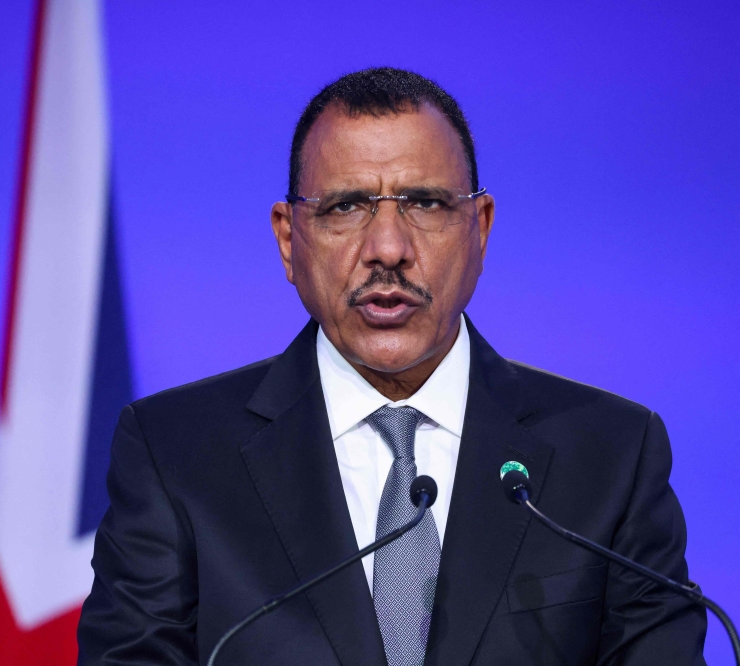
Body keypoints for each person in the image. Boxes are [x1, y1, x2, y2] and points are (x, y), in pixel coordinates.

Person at [77, 67, 707, 665]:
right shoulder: (174, 453)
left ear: (480, 229)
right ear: (288, 239)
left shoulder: (611, 455)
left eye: (426, 204)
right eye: (346, 206)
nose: (388, 249)